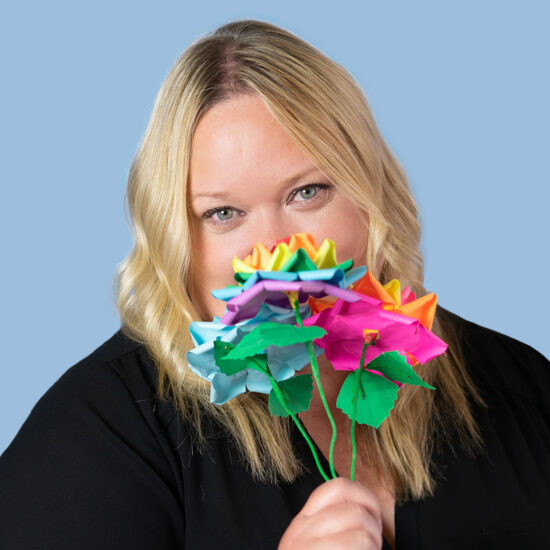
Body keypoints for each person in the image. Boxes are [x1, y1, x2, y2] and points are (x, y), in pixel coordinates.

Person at [1, 19, 548, 550]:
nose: (275, 252)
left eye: (307, 193)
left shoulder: (518, 386)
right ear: (177, 239)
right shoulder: (95, 435)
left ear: (371, 197)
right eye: (223, 213)